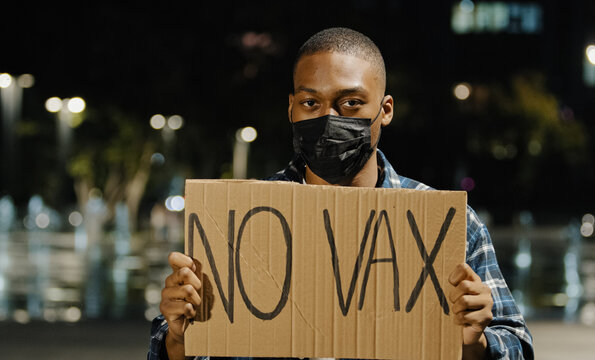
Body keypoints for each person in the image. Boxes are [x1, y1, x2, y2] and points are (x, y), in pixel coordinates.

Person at [148, 27, 534, 360]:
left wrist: (475, 344)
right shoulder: (233, 223)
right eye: (311, 103)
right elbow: (180, 348)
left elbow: (516, 346)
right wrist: (179, 339)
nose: (328, 119)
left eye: (351, 103)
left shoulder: (448, 227)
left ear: (384, 110)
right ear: (291, 108)